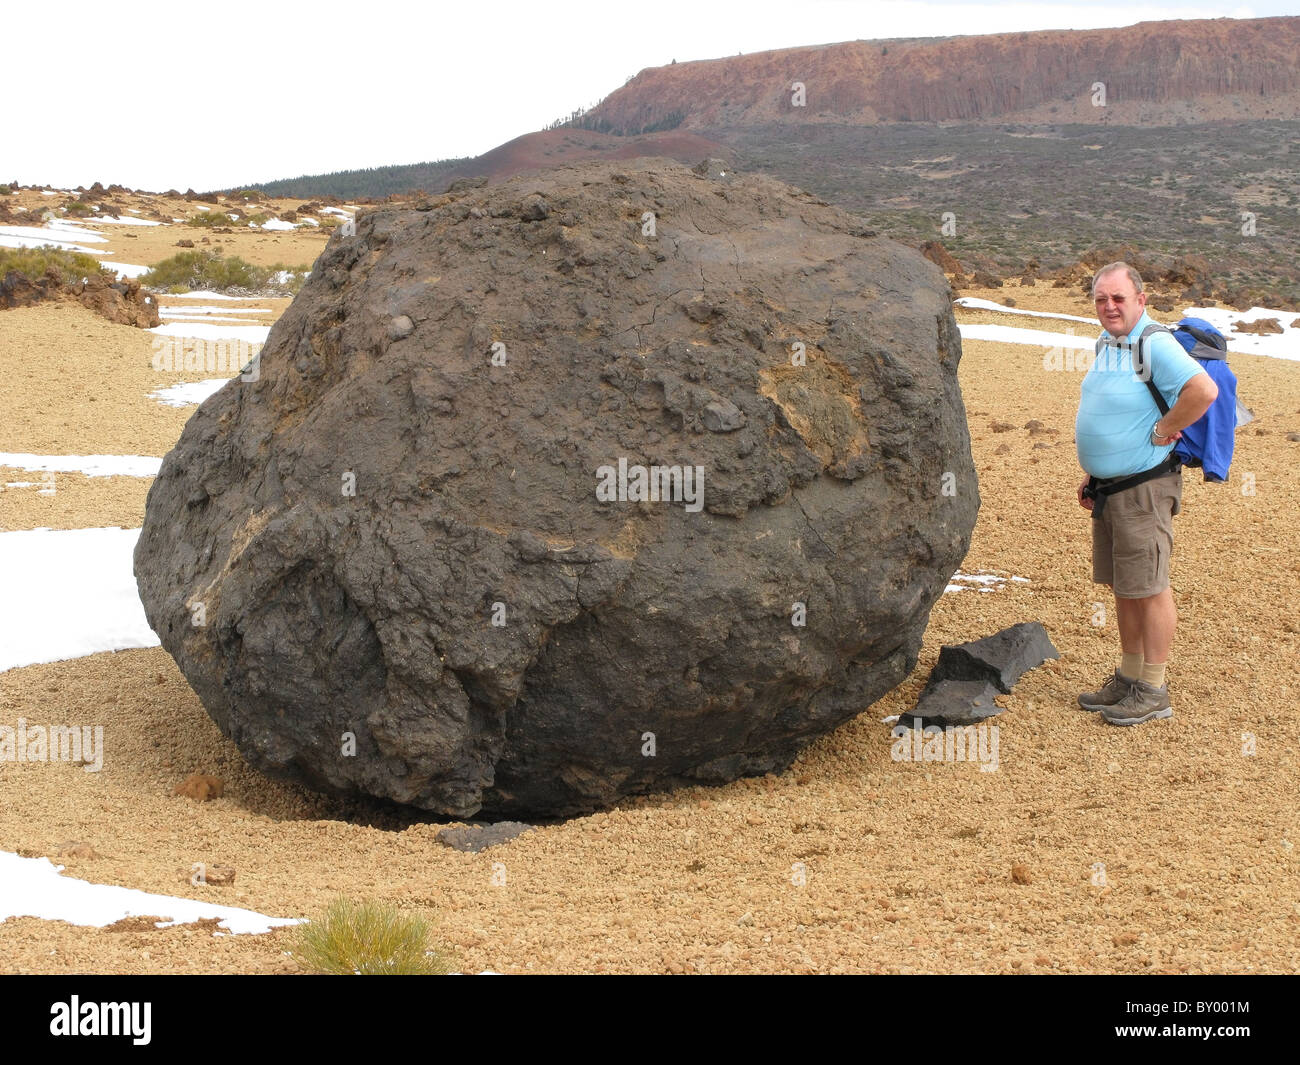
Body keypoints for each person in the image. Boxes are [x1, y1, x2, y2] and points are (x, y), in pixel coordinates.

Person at [1074, 262, 1218, 725]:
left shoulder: (1154, 343)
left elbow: (1203, 390)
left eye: (1118, 298)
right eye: (1101, 299)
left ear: (1141, 299)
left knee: (1151, 586)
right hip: (1111, 488)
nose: (1110, 306)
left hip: (1144, 489)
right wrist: (1093, 472)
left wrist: (1164, 428)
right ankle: (1129, 674)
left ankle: (1154, 688)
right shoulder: (1108, 342)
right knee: (1126, 585)